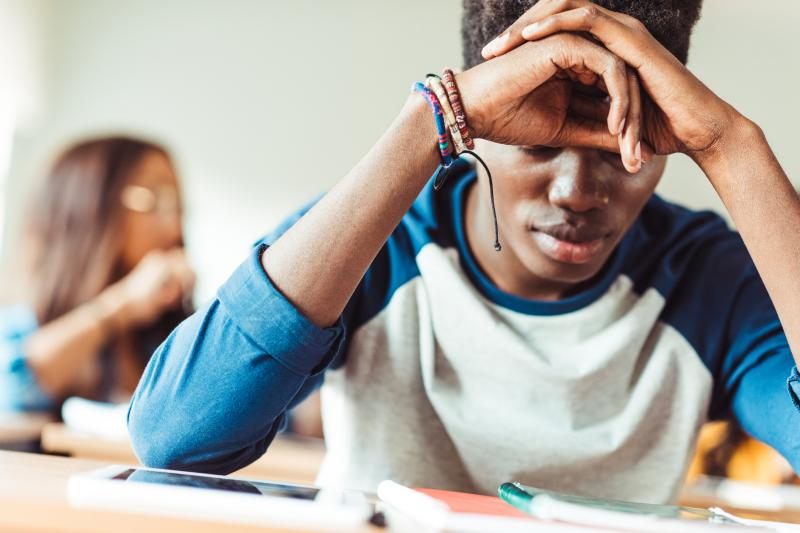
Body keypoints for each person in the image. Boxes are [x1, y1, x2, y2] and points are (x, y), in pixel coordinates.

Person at [129, 0, 799, 504]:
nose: (576, 191)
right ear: (485, 117)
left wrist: (734, 149)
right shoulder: (380, 235)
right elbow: (175, 442)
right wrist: (429, 119)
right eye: (538, 142)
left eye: (627, 148)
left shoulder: (710, 277)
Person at [0, 136, 195, 415]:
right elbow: (14, 385)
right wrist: (122, 304)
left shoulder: (161, 327)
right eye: (152, 200)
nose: (174, 225)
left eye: (176, 205)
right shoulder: (20, 311)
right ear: (87, 206)